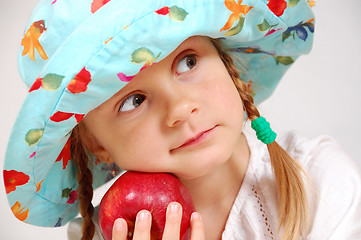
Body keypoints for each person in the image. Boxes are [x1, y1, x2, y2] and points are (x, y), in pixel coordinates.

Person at [3, 0, 361, 239]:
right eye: (134, 100)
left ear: (227, 64)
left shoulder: (321, 180)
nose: (179, 109)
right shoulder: (110, 234)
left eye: (187, 61)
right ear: (99, 145)